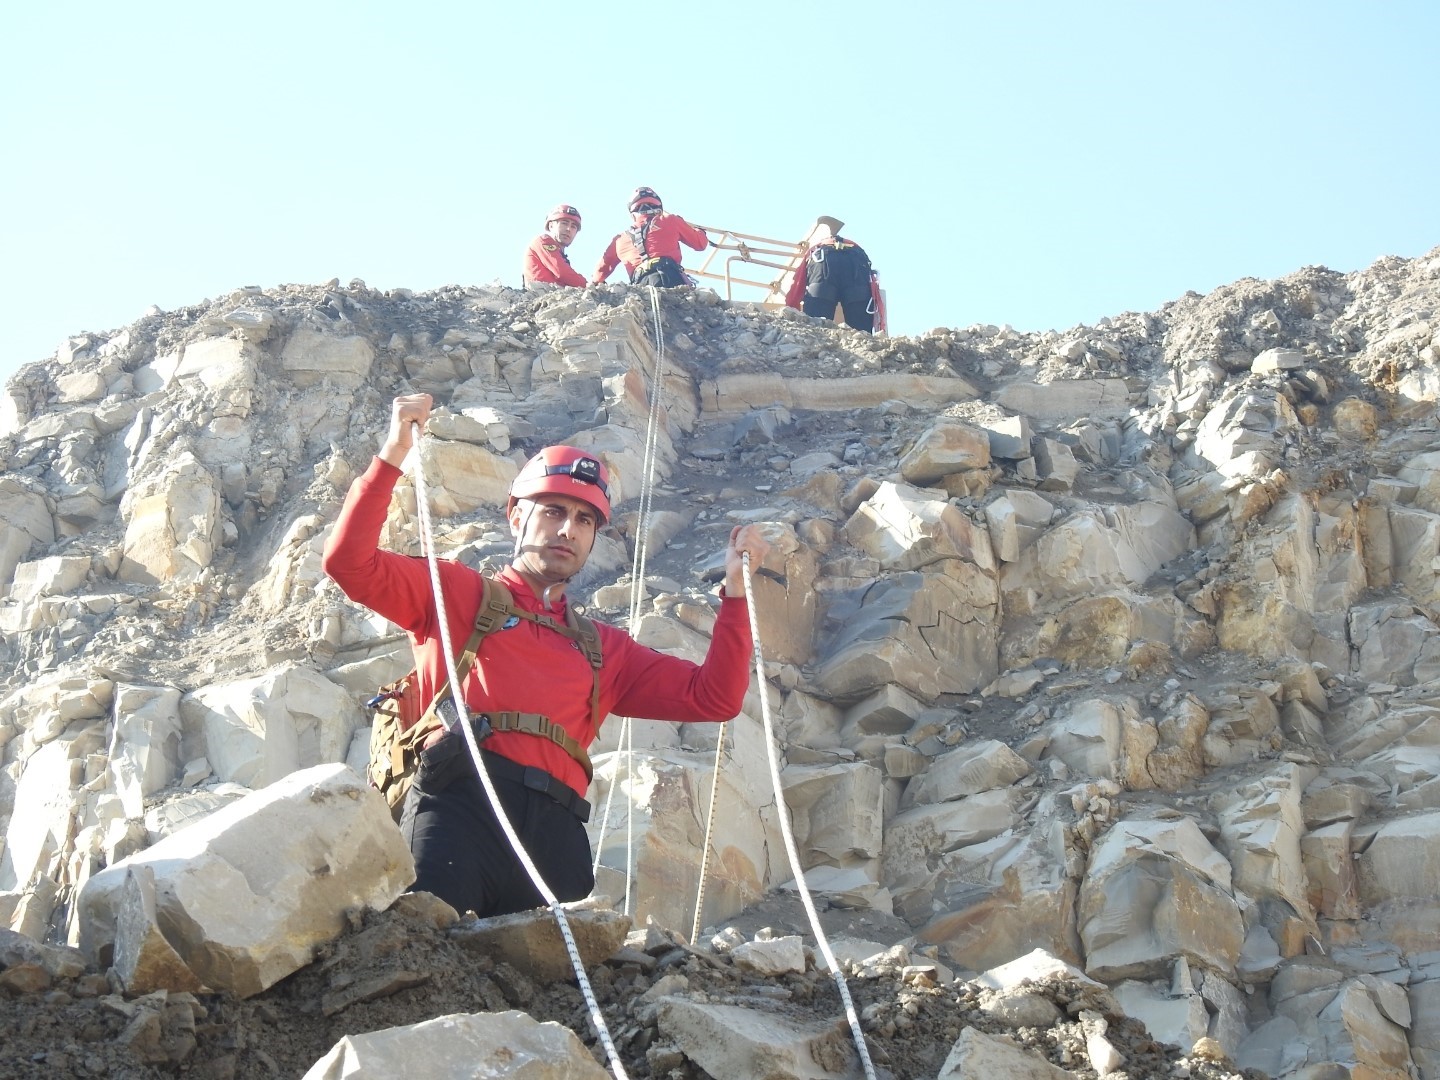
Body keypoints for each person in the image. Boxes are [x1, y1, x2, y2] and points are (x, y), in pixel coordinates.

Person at [322, 394, 770, 918]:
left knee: (552, 991)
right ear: (516, 516)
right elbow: (349, 563)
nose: (567, 529)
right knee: (432, 959)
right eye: (553, 511)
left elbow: (713, 698)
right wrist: (395, 452)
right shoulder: (458, 594)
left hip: (558, 832)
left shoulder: (604, 648)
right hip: (460, 806)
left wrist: (736, 598)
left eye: (584, 520)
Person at [592, 187, 708, 288]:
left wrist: (595, 285)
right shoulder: (670, 220)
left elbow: (600, 272)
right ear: (659, 208)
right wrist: (701, 232)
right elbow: (700, 244)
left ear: (633, 214)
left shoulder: (619, 239)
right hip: (671, 277)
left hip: (640, 287)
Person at [784, 225, 883, 333]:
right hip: (856, 262)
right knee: (861, 332)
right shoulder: (856, 250)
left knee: (816, 328)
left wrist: (790, 312)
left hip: (823, 263)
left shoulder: (814, 249)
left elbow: (797, 284)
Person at [522, 204, 586, 288]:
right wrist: (590, 286)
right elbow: (562, 272)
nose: (568, 229)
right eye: (564, 223)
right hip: (542, 296)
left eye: (573, 226)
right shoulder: (544, 241)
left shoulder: (560, 253)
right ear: (551, 225)